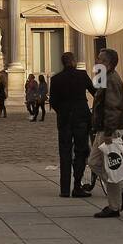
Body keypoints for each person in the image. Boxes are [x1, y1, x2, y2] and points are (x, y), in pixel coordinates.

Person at [90, 48, 123, 218]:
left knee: (105, 165)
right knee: (98, 163)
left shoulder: (112, 80)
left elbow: (113, 108)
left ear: (108, 63)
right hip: (105, 128)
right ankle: (122, 191)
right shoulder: (105, 77)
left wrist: (109, 131)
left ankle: (115, 204)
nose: (97, 61)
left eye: (100, 59)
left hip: (110, 129)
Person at [48, 52, 95, 198]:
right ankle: (77, 186)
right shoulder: (82, 75)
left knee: (65, 152)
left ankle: (64, 189)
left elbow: (53, 102)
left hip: (64, 119)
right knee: (81, 151)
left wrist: (62, 111)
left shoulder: (56, 79)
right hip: (81, 118)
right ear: (73, 61)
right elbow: (95, 92)